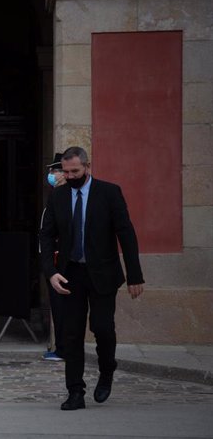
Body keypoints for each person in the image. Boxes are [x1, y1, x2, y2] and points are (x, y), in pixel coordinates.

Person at [39, 146, 145, 411]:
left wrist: (135, 275)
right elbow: (46, 235)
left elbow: (126, 234)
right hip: (70, 274)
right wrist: (50, 273)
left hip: (103, 274)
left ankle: (107, 369)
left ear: (87, 166)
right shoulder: (58, 196)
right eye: (65, 172)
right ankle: (75, 391)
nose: (70, 176)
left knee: (102, 328)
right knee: (71, 334)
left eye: (75, 171)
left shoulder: (109, 193)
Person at [40, 153, 66, 362]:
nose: (51, 174)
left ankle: (65, 348)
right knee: (57, 308)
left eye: (54, 170)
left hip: (62, 259)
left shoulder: (65, 195)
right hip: (51, 260)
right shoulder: (54, 195)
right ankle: (61, 346)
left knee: (64, 308)